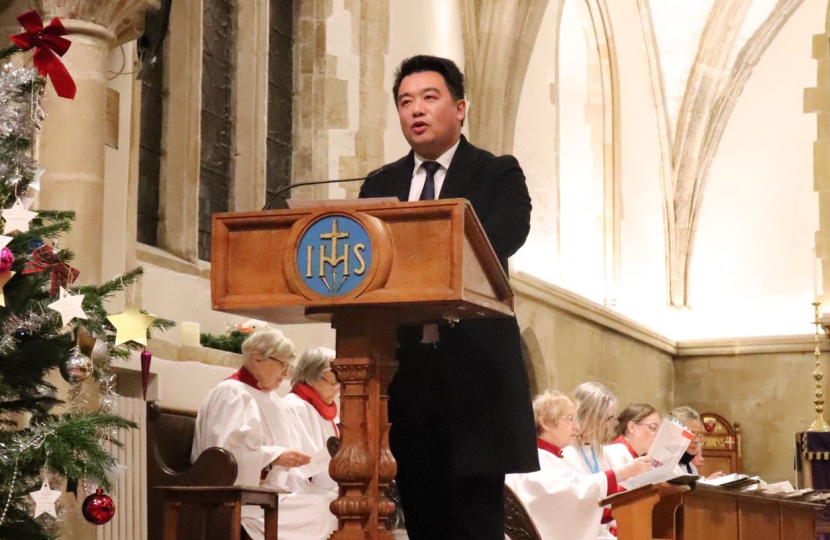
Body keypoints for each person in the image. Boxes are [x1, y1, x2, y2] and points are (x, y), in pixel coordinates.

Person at [359, 54, 538, 540]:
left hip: (475, 372)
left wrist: (421, 260)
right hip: (406, 373)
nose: (416, 109)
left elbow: (503, 235)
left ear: (460, 109)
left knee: (476, 520)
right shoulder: (380, 185)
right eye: (405, 101)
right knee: (423, 515)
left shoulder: (497, 174)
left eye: (429, 98)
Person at [191, 328, 337, 540]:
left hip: (272, 492)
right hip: (245, 499)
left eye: (288, 366)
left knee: (335, 502)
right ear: (257, 358)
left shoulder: (274, 402)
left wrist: (303, 461)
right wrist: (274, 456)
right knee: (328, 508)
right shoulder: (232, 393)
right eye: (281, 364)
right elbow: (224, 458)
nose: (286, 374)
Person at [506, 391, 652, 540]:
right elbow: (573, 493)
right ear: (545, 423)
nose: (577, 427)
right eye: (570, 419)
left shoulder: (554, 456)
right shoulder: (537, 459)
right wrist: (620, 473)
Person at [283, 346, 339, 490]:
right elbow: (294, 469)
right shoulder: (291, 407)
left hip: (328, 490)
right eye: (333, 383)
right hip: (299, 491)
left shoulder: (332, 416)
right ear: (311, 378)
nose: (337, 390)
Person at [604, 403, 661, 469]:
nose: (658, 435)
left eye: (659, 430)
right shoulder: (617, 452)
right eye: (653, 428)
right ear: (632, 427)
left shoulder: (638, 456)